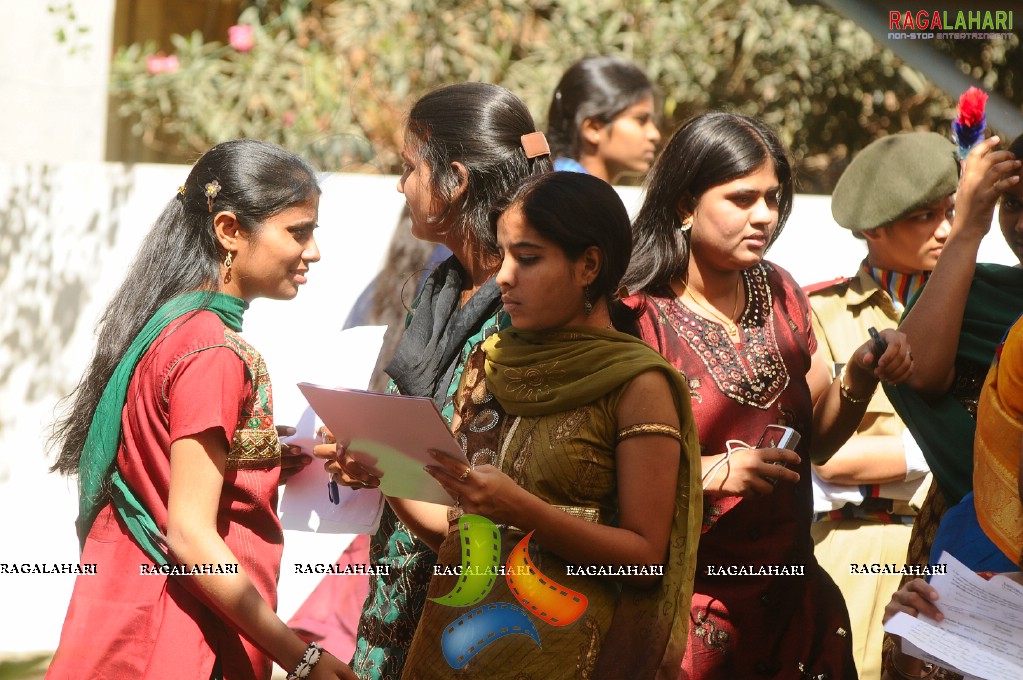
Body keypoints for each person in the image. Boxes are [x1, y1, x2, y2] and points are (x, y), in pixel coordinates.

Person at [620, 111, 914, 679]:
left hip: (793, 608)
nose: (763, 216)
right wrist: (711, 473)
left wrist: (858, 377)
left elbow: (817, 445)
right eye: (741, 198)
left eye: (773, 199)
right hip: (684, 615)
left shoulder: (780, 290)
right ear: (684, 204)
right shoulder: (634, 315)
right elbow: (597, 473)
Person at [47, 140, 353, 679]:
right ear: (230, 230)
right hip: (178, 637)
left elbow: (164, 467)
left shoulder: (169, 326)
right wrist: (302, 657)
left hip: (126, 617)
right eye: (298, 231)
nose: (313, 252)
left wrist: (264, 454)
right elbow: (190, 534)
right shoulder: (213, 351)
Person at [383, 171, 701, 678]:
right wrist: (381, 465)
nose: (504, 275)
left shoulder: (638, 384)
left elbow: (645, 560)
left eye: (527, 259)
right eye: (504, 255)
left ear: (588, 266)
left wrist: (523, 510)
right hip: (453, 649)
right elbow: (455, 530)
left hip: (562, 655)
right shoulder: (490, 364)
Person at [319, 82, 552, 680]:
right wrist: (365, 452)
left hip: (472, 621)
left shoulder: (524, 309)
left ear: (454, 178)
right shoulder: (443, 285)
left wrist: (382, 463)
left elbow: (487, 499)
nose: (401, 186)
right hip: (397, 600)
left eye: (409, 169)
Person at [805, 132, 959, 679]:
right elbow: (826, 456)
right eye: (924, 216)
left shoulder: (979, 310)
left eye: (951, 211)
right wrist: (945, 444)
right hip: (855, 547)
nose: (945, 229)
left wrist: (883, 454)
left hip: (957, 551)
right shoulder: (818, 313)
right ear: (874, 226)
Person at [879, 133, 1023, 679]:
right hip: (966, 551)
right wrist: (967, 230)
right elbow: (917, 373)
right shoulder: (975, 288)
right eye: (1013, 205)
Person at [546, 56, 661, 183]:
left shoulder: (562, 188)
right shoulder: (565, 195)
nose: (655, 135)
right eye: (641, 120)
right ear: (592, 128)